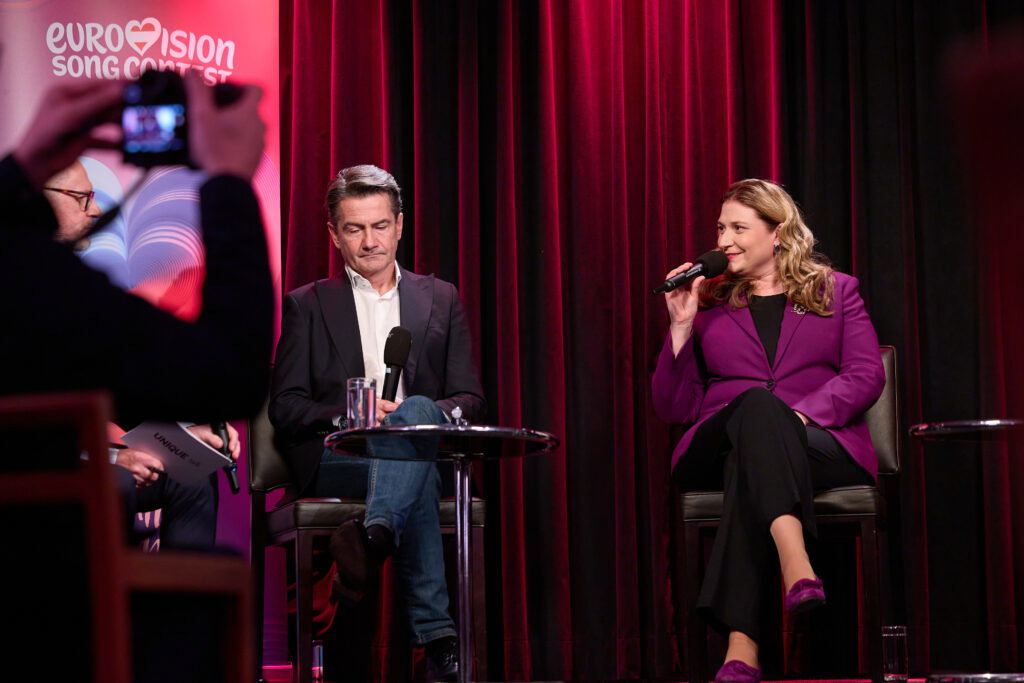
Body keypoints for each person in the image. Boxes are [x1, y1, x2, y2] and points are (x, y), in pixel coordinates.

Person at [652, 179, 885, 683]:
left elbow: (866, 374)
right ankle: (794, 559)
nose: (724, 241)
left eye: (738, 228)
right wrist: (680, 326)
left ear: (777, 232)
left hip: (818, 441)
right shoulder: (709, 303)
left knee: (754, 451)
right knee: (757, 408)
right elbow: (675, 407)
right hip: (715, 445)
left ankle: (742, 644)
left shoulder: (835, 290)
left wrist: (796, 417)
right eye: (720, 228)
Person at [269, 164, 485, 681]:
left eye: (380, 225)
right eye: (355, 228)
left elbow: (470, 398)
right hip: (341, 458)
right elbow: (286, 407)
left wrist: (419, 416)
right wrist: (353, 413)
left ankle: (373, 541)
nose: (370, 241)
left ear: (400, 225)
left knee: (416, 416)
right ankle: (437, 640)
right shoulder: (307, 304)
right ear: (334, 234)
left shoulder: (440, 297)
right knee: (414, 469)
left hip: (421, 448)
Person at [0, 74, 274, 426]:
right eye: (81, 197)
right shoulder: (29, 280)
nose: (94, 209)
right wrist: (229, 182)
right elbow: (229, 378)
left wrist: (20, 174)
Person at [41, 157, 240, 548]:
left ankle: (186, 591)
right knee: (114, 482)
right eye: (82, 198)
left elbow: (116, 393)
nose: (94, 211)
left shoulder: (76, 295)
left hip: (86, 460)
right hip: (32, 467)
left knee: (192, 477)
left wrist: (185, 438)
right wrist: (113, 459)